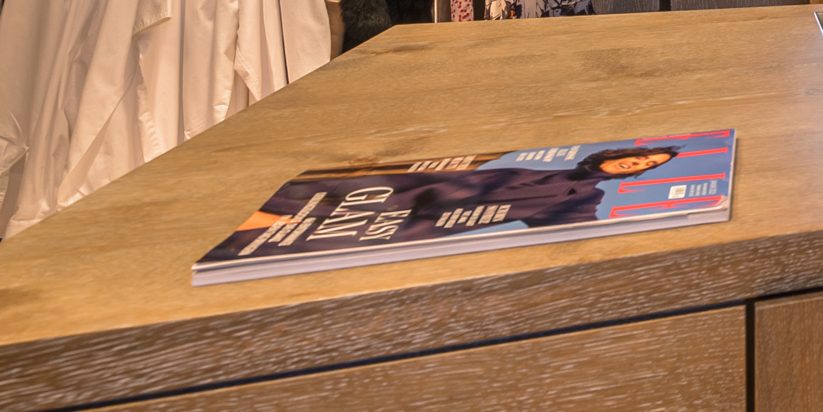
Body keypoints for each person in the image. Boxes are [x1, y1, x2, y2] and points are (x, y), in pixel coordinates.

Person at [236, 144, 688, 239]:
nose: (638, 164)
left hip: (412, 222)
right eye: (642, 157)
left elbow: (576, 232)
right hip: (392, 188)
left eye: (647, 167)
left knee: (278, 233)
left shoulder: (583, 195)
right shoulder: (548, 159)